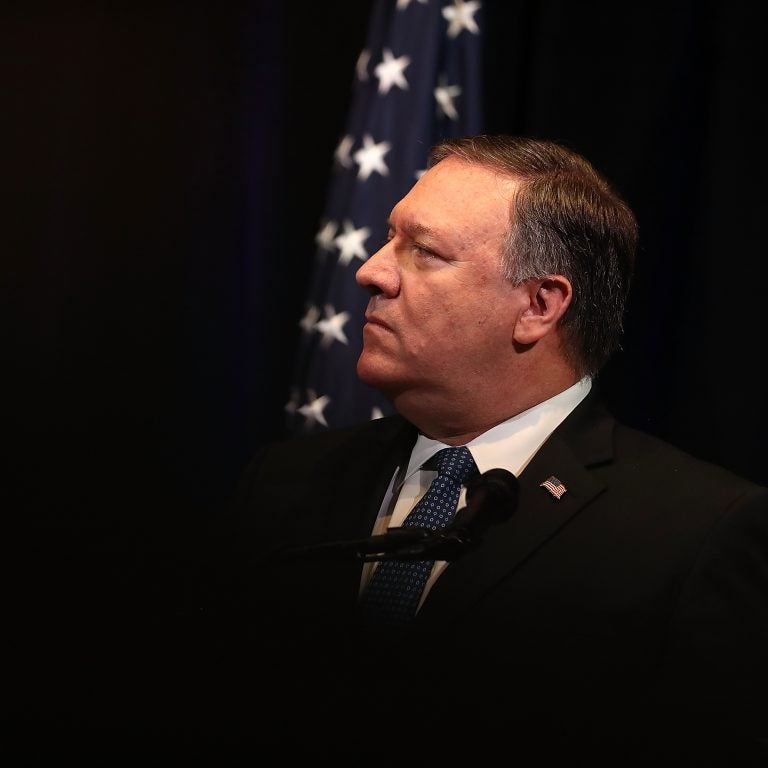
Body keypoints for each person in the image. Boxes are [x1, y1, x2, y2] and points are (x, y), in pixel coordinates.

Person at [204, 135, 768, 764]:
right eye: (390, 239)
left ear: (538, 306)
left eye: (424, 251)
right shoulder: (284, 481)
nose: (370, 270)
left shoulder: (697, 533)